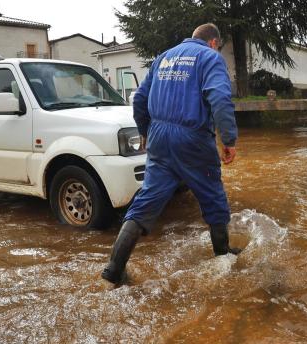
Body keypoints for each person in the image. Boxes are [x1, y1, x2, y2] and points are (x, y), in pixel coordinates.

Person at [101, 23, 241, 284]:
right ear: (213, 42)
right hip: (193, 139)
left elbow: (139, 98)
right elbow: (220, 98)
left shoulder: (163, 58)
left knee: (146, 200)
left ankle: (114, 268)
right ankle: (223, 258)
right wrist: (229, 140)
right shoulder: (211, 58)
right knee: (212, 196)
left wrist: (145, 131)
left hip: (158, 139)